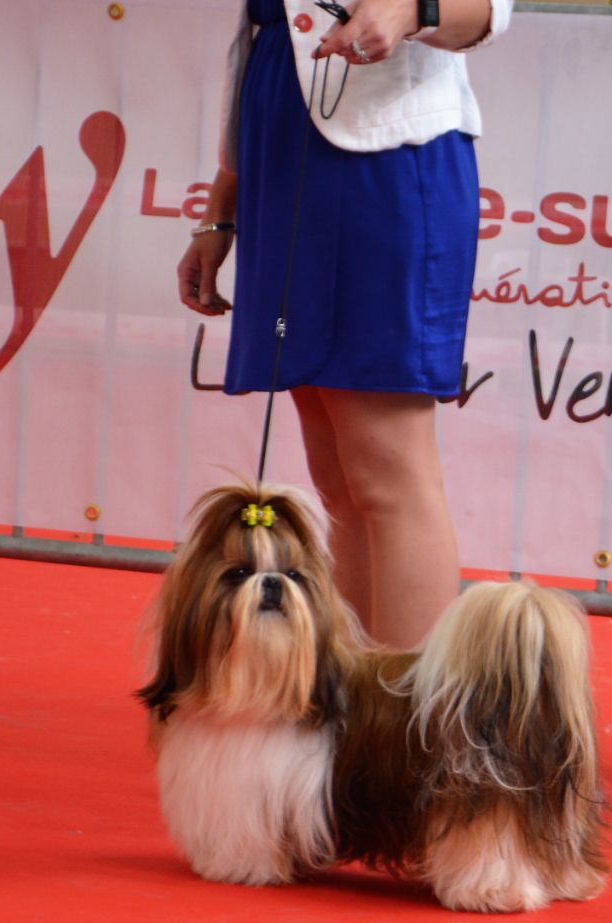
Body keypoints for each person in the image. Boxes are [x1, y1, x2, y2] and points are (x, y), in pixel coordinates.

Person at [177, 0, 513, 649]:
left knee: (388, 473)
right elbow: (258, 28)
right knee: (336, 475)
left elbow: (492, 8)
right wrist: (222, 203)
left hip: (387, 154)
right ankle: (353, 705)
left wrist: (412, 9)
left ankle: (410, 726)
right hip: (280, 144)